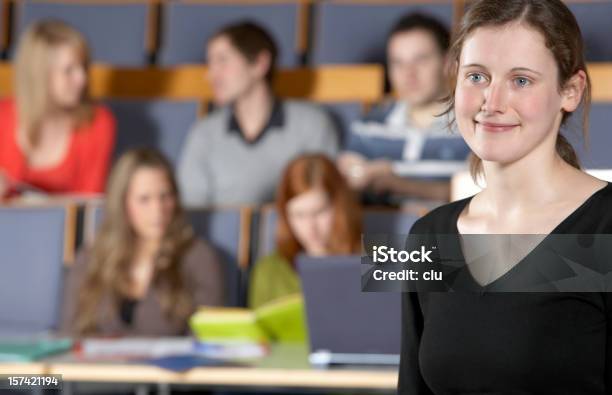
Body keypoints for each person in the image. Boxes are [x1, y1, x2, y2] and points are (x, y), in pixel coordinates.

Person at [398, 0, 612, 394]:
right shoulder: (428, 236)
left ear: (571, 91)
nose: (491, 103)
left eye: (522, 80)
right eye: (477, 76)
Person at [60, 149, 225, 336]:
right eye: (144, 199)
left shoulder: (199, 258)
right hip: (100, 365)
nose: (158, 210)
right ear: (122, 204)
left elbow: (208, 338)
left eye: (165, 196)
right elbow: (69, 334)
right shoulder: (91, 259)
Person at [178, 21, 339, 207]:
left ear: (260, 64)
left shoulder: (312, 124)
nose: (210, 74)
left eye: (222, 60)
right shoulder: (204, 132)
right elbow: (192, 206)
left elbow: (326, 201)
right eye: (210, 62)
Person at [338, 13, 470, 203]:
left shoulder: (473, 126)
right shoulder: (368, 126)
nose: (408, 74)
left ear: (448, 62)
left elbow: (479, 196)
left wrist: (397, 183)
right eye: (398, 63)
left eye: (421, 60)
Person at [0, 20, 115, 200]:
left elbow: (90, 207)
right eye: (69, 70)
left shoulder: (98, 123)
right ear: (40, 74)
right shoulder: (3, 116)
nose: (82, 79)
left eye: (83, 67)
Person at [248, 154, 361, 309]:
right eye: (299, 215)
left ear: (340, 206)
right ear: (286, 216)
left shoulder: (379, 262)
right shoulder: (268, 271)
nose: (310, 227)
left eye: (319, 212)